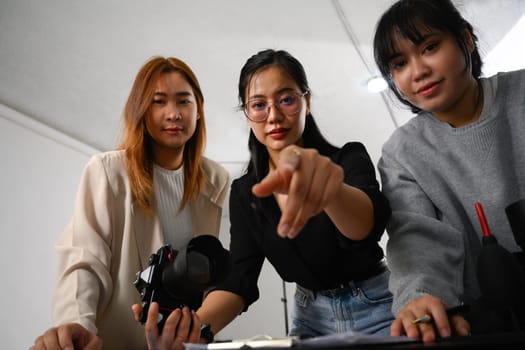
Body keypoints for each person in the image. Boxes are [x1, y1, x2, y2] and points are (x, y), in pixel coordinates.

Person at [136, 48, 394, 349]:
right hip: (311, 316)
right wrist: (195, 327)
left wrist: (330, 189)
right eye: (259, 105)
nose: (273, 116)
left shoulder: (347, 158)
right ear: (247, 114)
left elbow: (366, 226)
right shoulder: (246, 193)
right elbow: (240, 279)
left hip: (377, 302)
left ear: (306, 102)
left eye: (286, 100)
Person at [30, 56, 230, 350]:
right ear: (140, 110)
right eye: (159, 102)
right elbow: (84, 258)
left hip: (179, 341)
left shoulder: (216, 179)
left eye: (184, 102)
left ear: (198, 110)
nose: (173, 113)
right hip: (116, 339)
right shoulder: (107, 171)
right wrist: (76, 323)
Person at [373, 0, 525, 343]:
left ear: (466, 39)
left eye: (429, 47)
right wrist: (420, 296)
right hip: (485, 322)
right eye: (399, 63)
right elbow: (416, 241)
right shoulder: (401, 152)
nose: (418, 71)